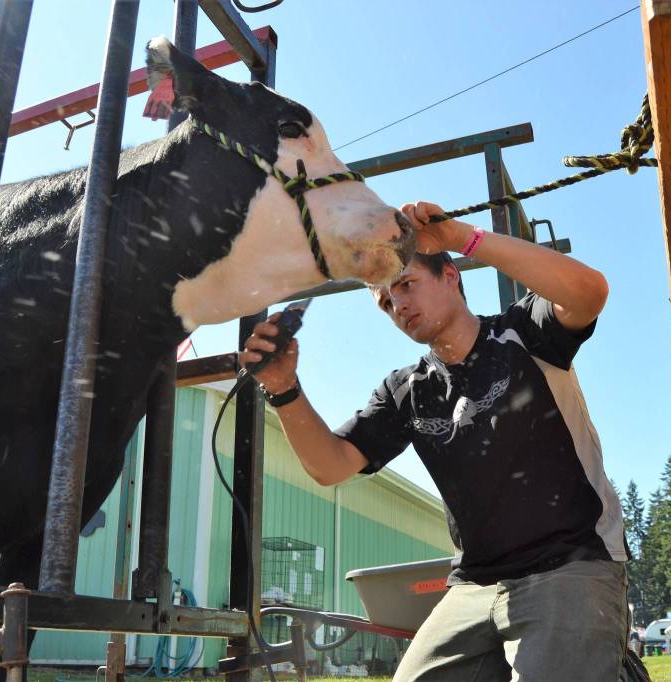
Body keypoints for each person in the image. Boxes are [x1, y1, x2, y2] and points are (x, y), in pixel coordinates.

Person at [242, 201, 629, 681]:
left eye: (406, 285)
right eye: (386, 301)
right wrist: (284, 389)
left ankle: (613, 664)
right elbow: (330, 465)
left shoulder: (522, 334)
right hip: (474, 586)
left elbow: (589, 292)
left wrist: (461, 237)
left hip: (571, 563)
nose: (399, 305)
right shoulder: (405, 391)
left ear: (451, 277)